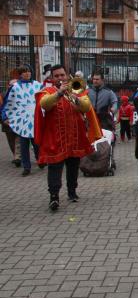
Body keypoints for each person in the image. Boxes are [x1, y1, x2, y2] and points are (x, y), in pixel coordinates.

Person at [34, 64, 101, 211]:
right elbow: (44, 104)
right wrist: (59, 93)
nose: (60, 78)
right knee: (55, 168)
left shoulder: (77, 90)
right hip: (56, 138)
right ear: (52, 78)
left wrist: (75, 97)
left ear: (67, 75)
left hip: (74, 137)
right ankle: (54, 197)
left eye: (62, 75)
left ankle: (72, 191)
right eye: (56, 76)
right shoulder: (47, 91)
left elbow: (86, 106)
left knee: (73, 167)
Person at [2, 65, 43, 176]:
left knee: (37, 143)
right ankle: (26, 167)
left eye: (29, 71)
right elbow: (8, 103)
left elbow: (44, 99)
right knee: (24, 145)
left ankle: (40, 160)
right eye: (24, 72)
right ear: (20, 74)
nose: (27, 73)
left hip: (35, 119)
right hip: (22, 121)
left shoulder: (37, 85)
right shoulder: (15, 87)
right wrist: (5, 117)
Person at [1, 76, 21, 167]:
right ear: (8, 85)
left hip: (18, 121)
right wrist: (4, 119)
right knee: (10, 140)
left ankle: (18, 157)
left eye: (14, 85)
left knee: (18, 138)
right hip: (6, 122)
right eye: (11, 85)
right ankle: (15, 155)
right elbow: (2, 108)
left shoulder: (21, 94)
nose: (12, 87)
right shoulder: (4, 95)